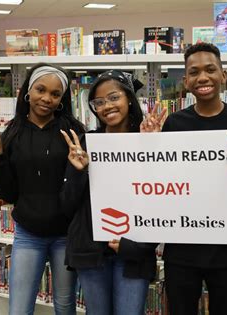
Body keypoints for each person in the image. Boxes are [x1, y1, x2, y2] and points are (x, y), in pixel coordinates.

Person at [0, 63, 85, 315]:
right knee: (19, 308)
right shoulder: (13, 132)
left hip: (65, 236)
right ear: (27, 91)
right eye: (40, 90)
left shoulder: (74, 132)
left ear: (62, 99)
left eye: (55, 94)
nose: (47, 99)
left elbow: (81, 188)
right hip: (28, 235)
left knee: (65, 306)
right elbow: (8, 194)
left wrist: (80, 168)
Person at [60, 70, 166, 315]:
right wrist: (79, 171)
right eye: (99, 102)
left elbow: (162, 200)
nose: (107, 106)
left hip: (133, 253)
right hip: (91, 252)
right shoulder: (84, 144)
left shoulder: (148, 140)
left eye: (114, 97)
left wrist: (153, 149)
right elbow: (67, 205)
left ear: (129, 98)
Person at [161, 42, 227, 315]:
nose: (202, 77)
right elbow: (163, 182)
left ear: (223, 75)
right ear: (186, 80)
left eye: (210, 69)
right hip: (182, 246)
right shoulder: (174, 124)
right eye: (194, 72)